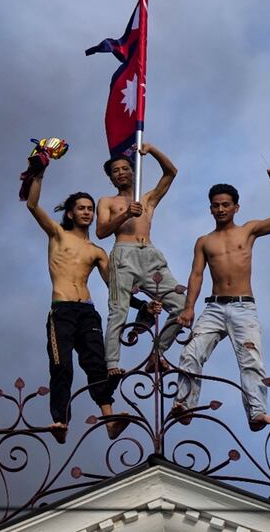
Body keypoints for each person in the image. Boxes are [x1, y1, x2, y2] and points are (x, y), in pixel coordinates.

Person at [170, 169, 270, 431]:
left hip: (243, 306)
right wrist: (189, 308)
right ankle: (184, 404)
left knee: (250, 359)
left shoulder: (248, 231)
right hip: (214, 307)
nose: (220, 209)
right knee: (191, 352)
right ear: (210, 210)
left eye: (226, 205)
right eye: (215, 206)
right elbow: (196, 274)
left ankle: (258, 412)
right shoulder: (205, 241)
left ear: (236, 207)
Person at [25, 166, 130, 443]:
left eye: (90, 209)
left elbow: (115, 288)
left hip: (87, 311)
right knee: (62, 367)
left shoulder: (97, 251)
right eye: (81, 208)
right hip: (62, 311)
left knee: (97, 364)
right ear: (71, 212)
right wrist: (40, 172)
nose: (87, 212)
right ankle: (60, 421)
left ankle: (109, 420)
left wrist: (144, 305)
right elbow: (32, 205)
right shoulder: (58, 235)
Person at [97, 143, 186, 378]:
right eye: (115, 171)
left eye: (125, 168)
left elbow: (171, 172)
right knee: (118, 309)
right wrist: (126, 213)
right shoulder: (107, 202)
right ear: (111, 179)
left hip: (149, 254)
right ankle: (112, 363)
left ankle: (157, 353)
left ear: (133, 172)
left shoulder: (147, 200)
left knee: (182, 307)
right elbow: (101, 231)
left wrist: (152, 149)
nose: (121, 173)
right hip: (124, 253)